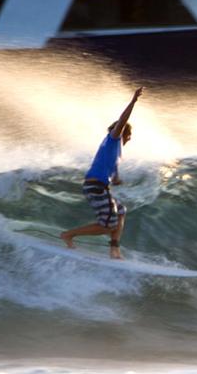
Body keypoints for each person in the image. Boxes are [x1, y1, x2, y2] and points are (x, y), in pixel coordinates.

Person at [61, 87, 143, 259]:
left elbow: (111, 173)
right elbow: (122, 120)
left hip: (99, 186)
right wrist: (134, 101)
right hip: (95, 186)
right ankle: (68, 234)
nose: (130, 138)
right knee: (107, 226)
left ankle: (114, 248)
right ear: (123, 133)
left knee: (121, 211)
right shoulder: (113, 139)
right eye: (129, 135)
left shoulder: (115, 152)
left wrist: (117, 179)